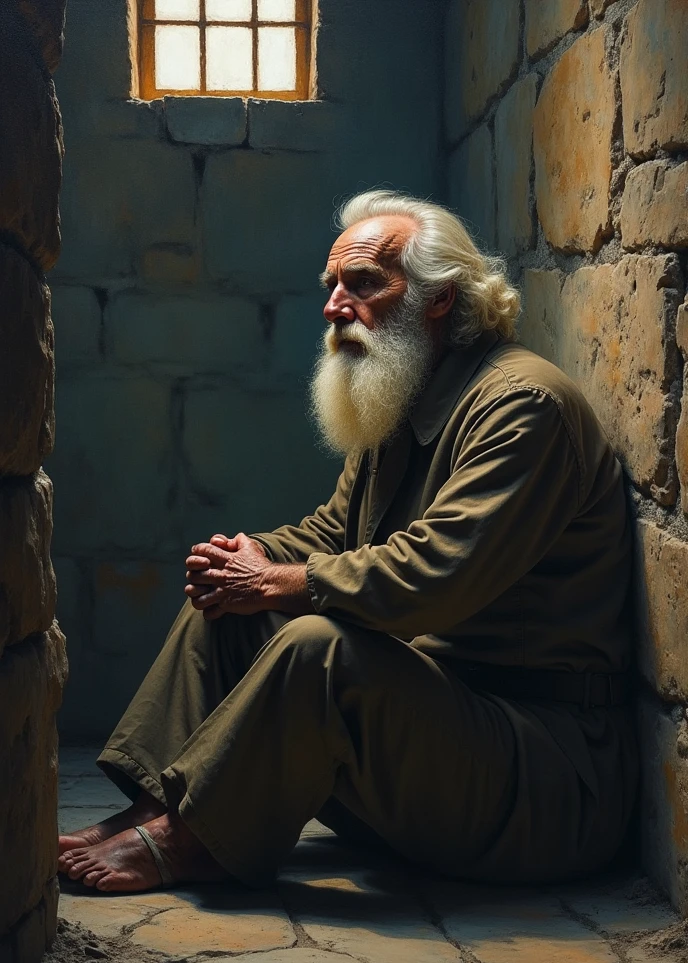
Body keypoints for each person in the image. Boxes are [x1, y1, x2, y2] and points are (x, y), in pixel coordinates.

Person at [58, 190, 638, 894]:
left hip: (540, 774)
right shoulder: (407, 396)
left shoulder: (523, 406)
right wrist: (247, 559)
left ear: (439, 298)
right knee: (230, 605)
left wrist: (273, 580)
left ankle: (197, 840)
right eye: (332, 286)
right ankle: (161, 808)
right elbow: (334, 532)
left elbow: (436, 575)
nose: (336, 307)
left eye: (364, 284)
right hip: (436, 735)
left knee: (317, 650)